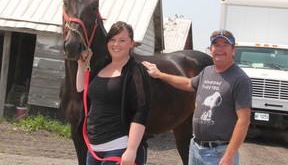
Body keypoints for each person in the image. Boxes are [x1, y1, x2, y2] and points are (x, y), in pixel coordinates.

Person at [142, 29, 252, 165]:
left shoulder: (240, 79)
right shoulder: (207, 71)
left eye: (225, 45)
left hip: (218, 152)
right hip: (196, 149)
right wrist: (161, 75)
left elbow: (244, 120)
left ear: (233, 51)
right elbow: (188, 83)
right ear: (211, 49)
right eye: (216, 45)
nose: (220, 49)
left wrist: (230, 154)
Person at [77, 21, 151, 165]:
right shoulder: (101, 65)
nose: (116, 44)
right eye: (112, 39)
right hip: (94, 149)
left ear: (131, 43)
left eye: (122, 40)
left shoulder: (135, 71)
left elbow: (141, 111)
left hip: (120, 147)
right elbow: (82, 90)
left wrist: (131, 149)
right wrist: (81, 66)